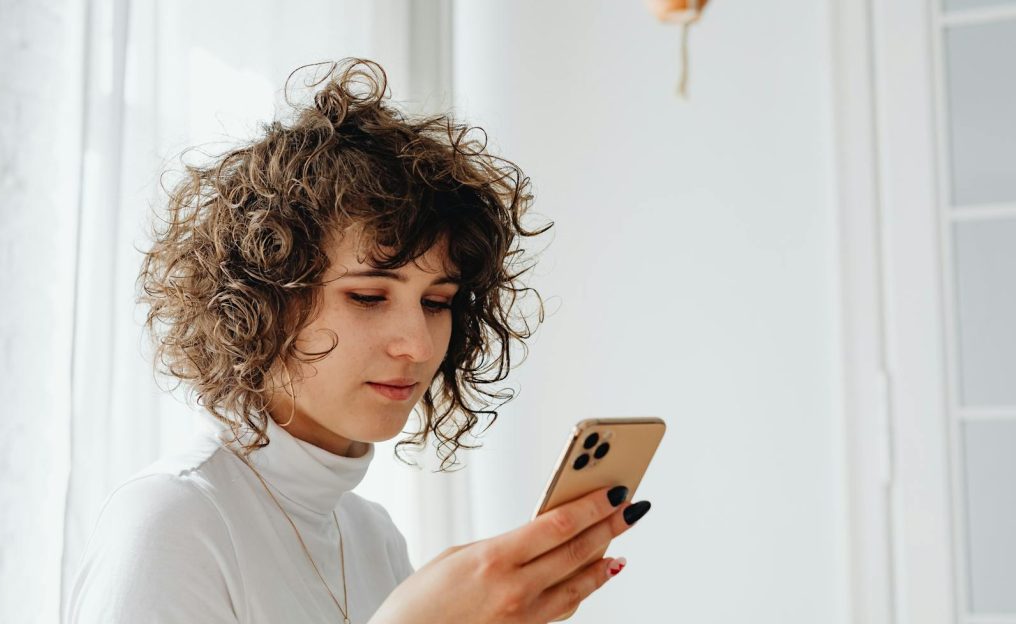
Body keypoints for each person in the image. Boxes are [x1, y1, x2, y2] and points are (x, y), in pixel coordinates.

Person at [66, 57, 651, 624]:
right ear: (262, 299)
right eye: (368, 297)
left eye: (437, 302)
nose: (418, 347)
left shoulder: (375, 537)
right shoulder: (173, 519)